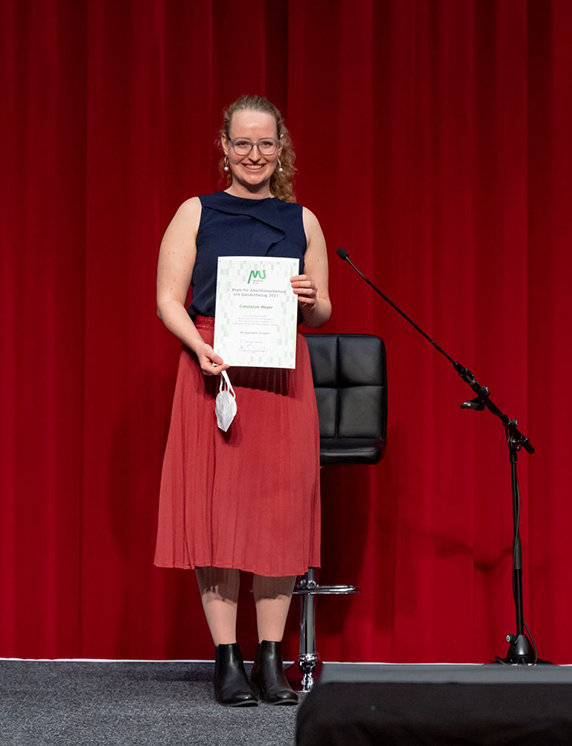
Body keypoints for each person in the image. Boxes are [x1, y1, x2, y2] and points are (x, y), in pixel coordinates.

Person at [154, 95, 331, 705]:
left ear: (281, 149)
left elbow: (323, 310)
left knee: (280, 516)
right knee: (218, 514)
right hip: (214, 369)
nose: (254, 154)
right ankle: (227, 660)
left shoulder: (303, 221)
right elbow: (168, 299)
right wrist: (198, 349)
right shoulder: (195, 212)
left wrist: (309, 298)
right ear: (224, 147)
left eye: (265, 143)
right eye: (243, 143)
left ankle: (271, 659)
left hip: (282, 376)